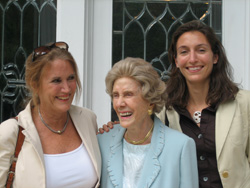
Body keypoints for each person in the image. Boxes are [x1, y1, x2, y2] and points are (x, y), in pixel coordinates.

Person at [156, 20, 250, 188]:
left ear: (215, 57)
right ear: (176, 61)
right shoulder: (162, 110)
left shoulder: (244, 103)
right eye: (184, 52)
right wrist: (114, 130)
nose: (192, 59)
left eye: (201, 50)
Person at [0, 42, 101, 188]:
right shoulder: (11, 132)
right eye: (56, 80)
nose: (66, 89)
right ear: (35, 84)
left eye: (71, 78)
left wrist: (117, 131)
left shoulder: (87, 119)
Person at [98, 57, 199, 188]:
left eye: (128, 94)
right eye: (116, 95)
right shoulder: (101, 142)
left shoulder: (181, 146)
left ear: (150, 101)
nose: (119, 104)